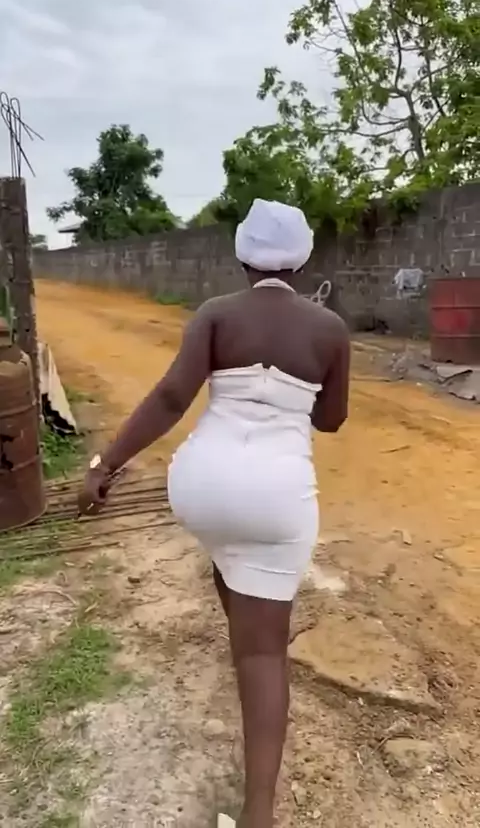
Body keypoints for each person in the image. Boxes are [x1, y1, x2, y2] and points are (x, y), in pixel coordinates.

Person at [78, 199, 350, 828]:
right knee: (264, 655)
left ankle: (246, 626)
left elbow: (173, 396)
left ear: (242, 256)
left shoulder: (215, 314)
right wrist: (297, 389)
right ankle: (258, 815)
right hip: (276, 498)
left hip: (201, 486)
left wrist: (104, 466)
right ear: (303, 260)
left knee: (230, 554)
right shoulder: (330, 329)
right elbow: (331, 419)